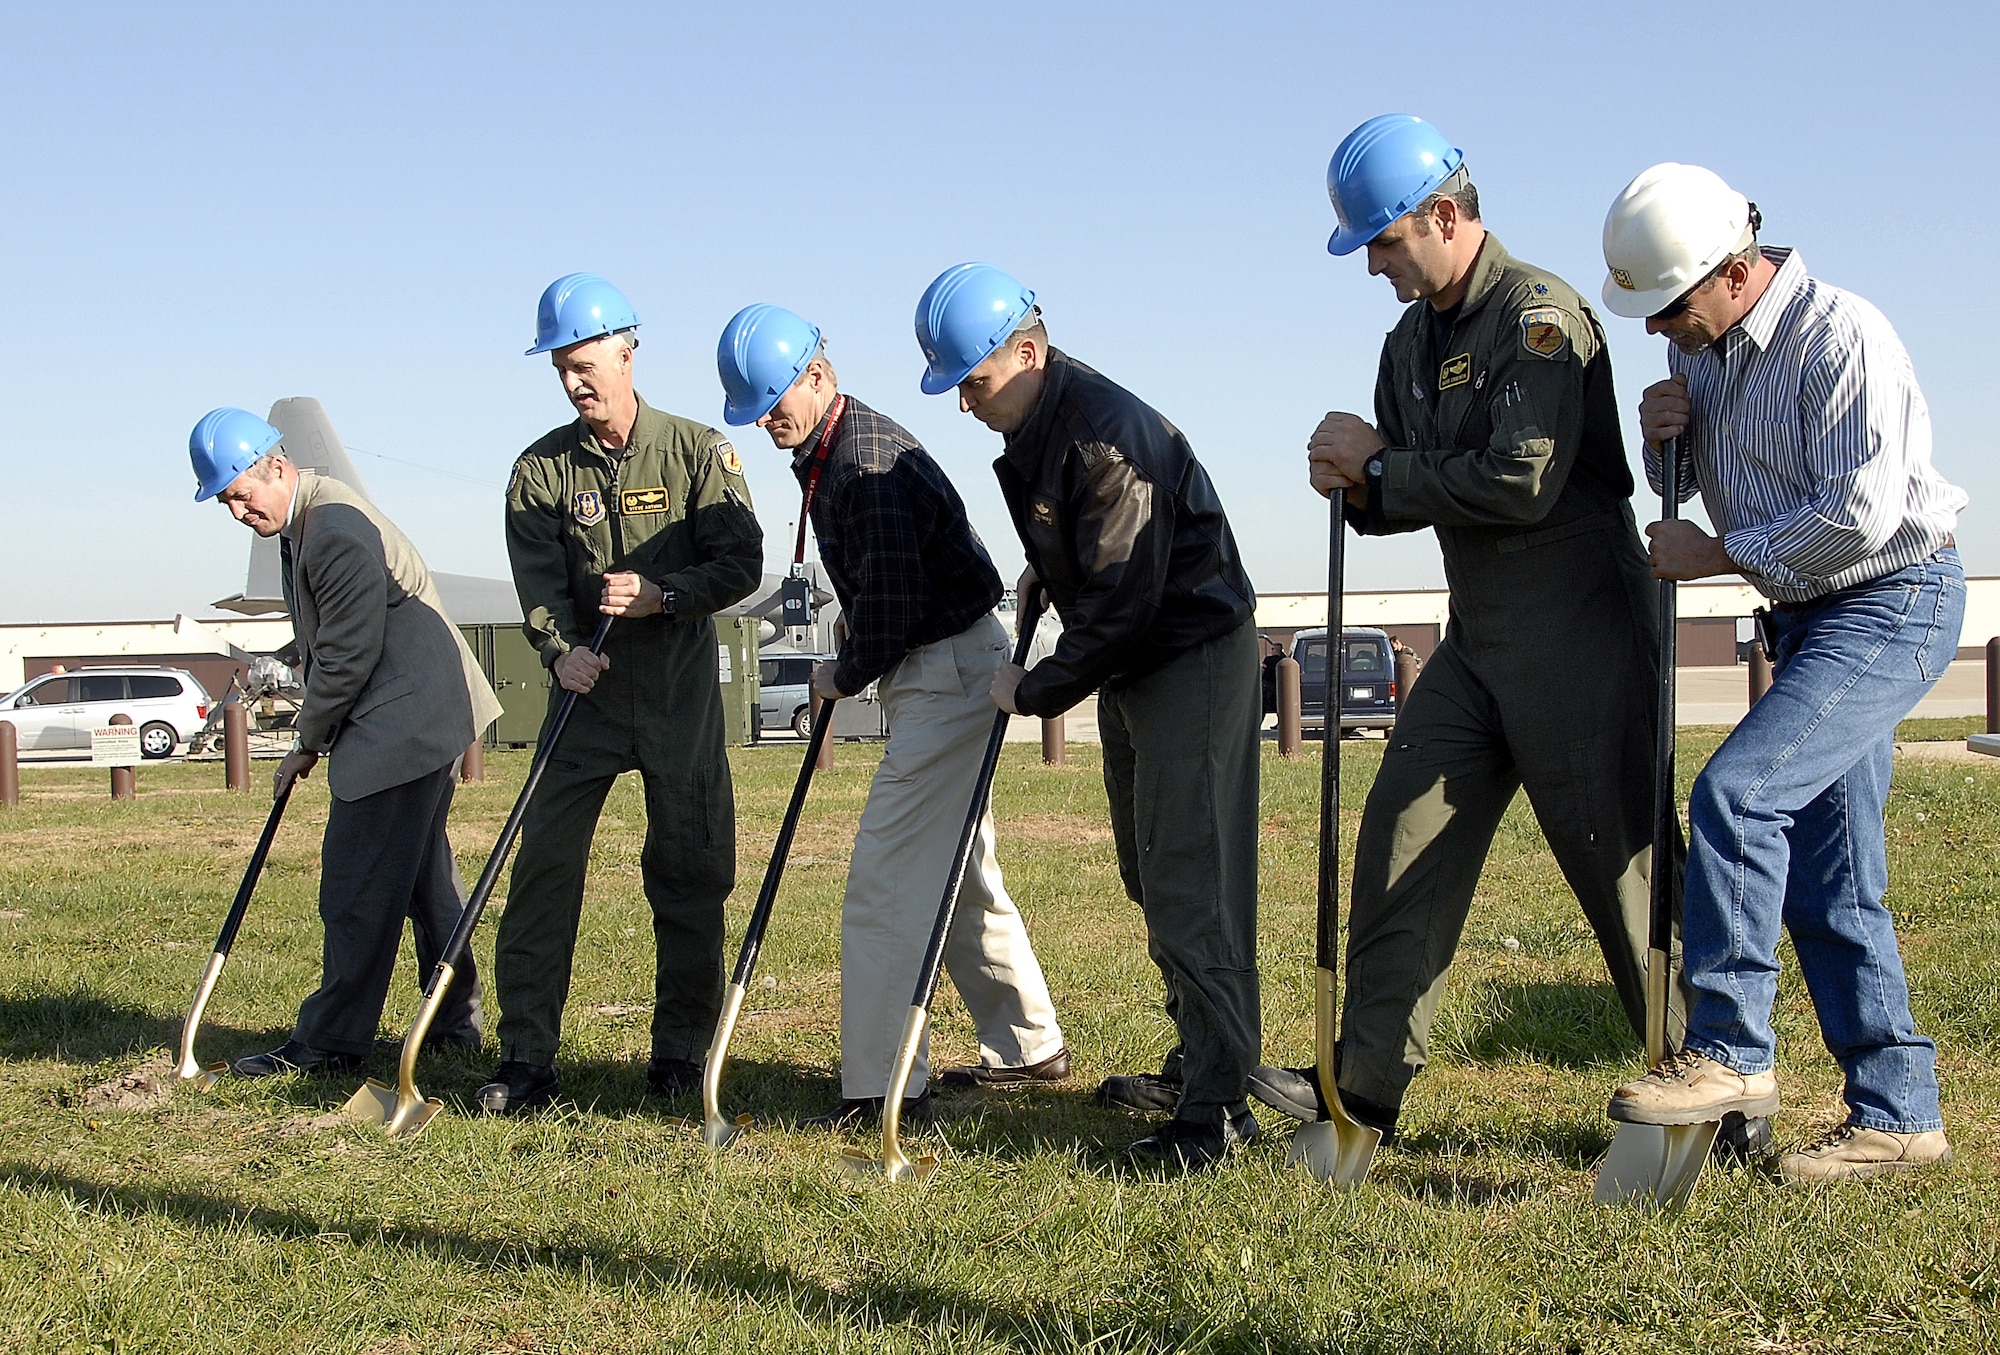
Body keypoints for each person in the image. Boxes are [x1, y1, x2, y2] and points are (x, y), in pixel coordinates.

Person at [1255, 113, 1752, 1153]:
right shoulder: (1408, 342)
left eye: (1384, 243)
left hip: (1578, 629)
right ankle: (1363, 1089)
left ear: (1442, 217)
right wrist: (1352, 481)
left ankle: (1711, 1086)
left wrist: (1382, 466)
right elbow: (1409, 499)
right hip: (1476, 635)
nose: (1374, 267)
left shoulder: (1540, 316)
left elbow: (1519, 482)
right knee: (1399, 833)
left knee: (1620, 871)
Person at [1598, 164, 1966, 1183]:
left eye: (1665, 306)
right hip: (1807, 617)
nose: (1654, 328)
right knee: (1832, 880)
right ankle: (1897, 1117)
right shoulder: (1705, 356)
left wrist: (1714, 554)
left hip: (1892, 599)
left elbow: (1861, 512)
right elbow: (1702, 486)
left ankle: (1728, 1052)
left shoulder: (1840, 336)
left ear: (1729, 270)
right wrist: (1663, 443)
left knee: (1736, 794)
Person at [916, 262, 1263, 1171]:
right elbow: (1097, 565)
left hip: (1188, 658)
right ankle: (1199, 1061)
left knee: (1194, 881)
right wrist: (1051, 566)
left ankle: (1218, 1110)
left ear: (1026, 351)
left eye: (975, 383)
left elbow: (1121, 607)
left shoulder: (1105, 437)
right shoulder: (1045, 423)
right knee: (1150, 873)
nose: (967, 405)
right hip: (1141, 665)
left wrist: (1028, 692)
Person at [717, 304, 1068, 1127]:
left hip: (944, 669)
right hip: (948, 662)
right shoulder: (834, 448)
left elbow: (899, 600)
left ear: (818, 373)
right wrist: (858, 641)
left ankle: (879, 1086)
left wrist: (843, 670)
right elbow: (887, 581)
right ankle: (1028, 1043)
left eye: (778, 399)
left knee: (886, 880)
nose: (770, 419)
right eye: (756, 408)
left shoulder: (862, 459)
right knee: (957, 874)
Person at [479, 274, 763, 1114]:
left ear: (628, 352)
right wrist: (559, 651)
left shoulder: (698, 452)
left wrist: (661, 594)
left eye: (587, 362)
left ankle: (679, 1054)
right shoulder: (538, 471)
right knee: (542, 876)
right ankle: (526, 1057)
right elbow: (538, 585)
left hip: (678, 701)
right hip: (585, 705)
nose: (575, 381)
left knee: (690, 873)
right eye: (562, 368)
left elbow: (740, 563)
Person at [187, 407, 501, 1077]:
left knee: (356, 884)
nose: (238, 511)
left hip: (403, 721)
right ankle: (452, 1023)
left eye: (241, 493)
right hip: (422, 713)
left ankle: (329, 1043)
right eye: (226, 502)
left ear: (276, 464)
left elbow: (347, 653)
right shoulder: (304, 523)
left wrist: (308, 738)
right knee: (421, 879)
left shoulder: (330, 529)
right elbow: (328, 635)